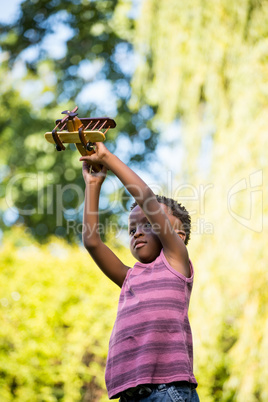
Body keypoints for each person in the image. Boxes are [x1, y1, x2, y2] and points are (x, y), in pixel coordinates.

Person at [80, 142, 199, 402]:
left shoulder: (176, 263)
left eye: (148, 223)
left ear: (177, 235)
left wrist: (107, 159)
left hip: (167, 392)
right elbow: (92, 241)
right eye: (132, 229)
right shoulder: (129, 278)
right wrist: (93, 185)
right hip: (129, 396)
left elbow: (146, 199)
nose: (137, 232)